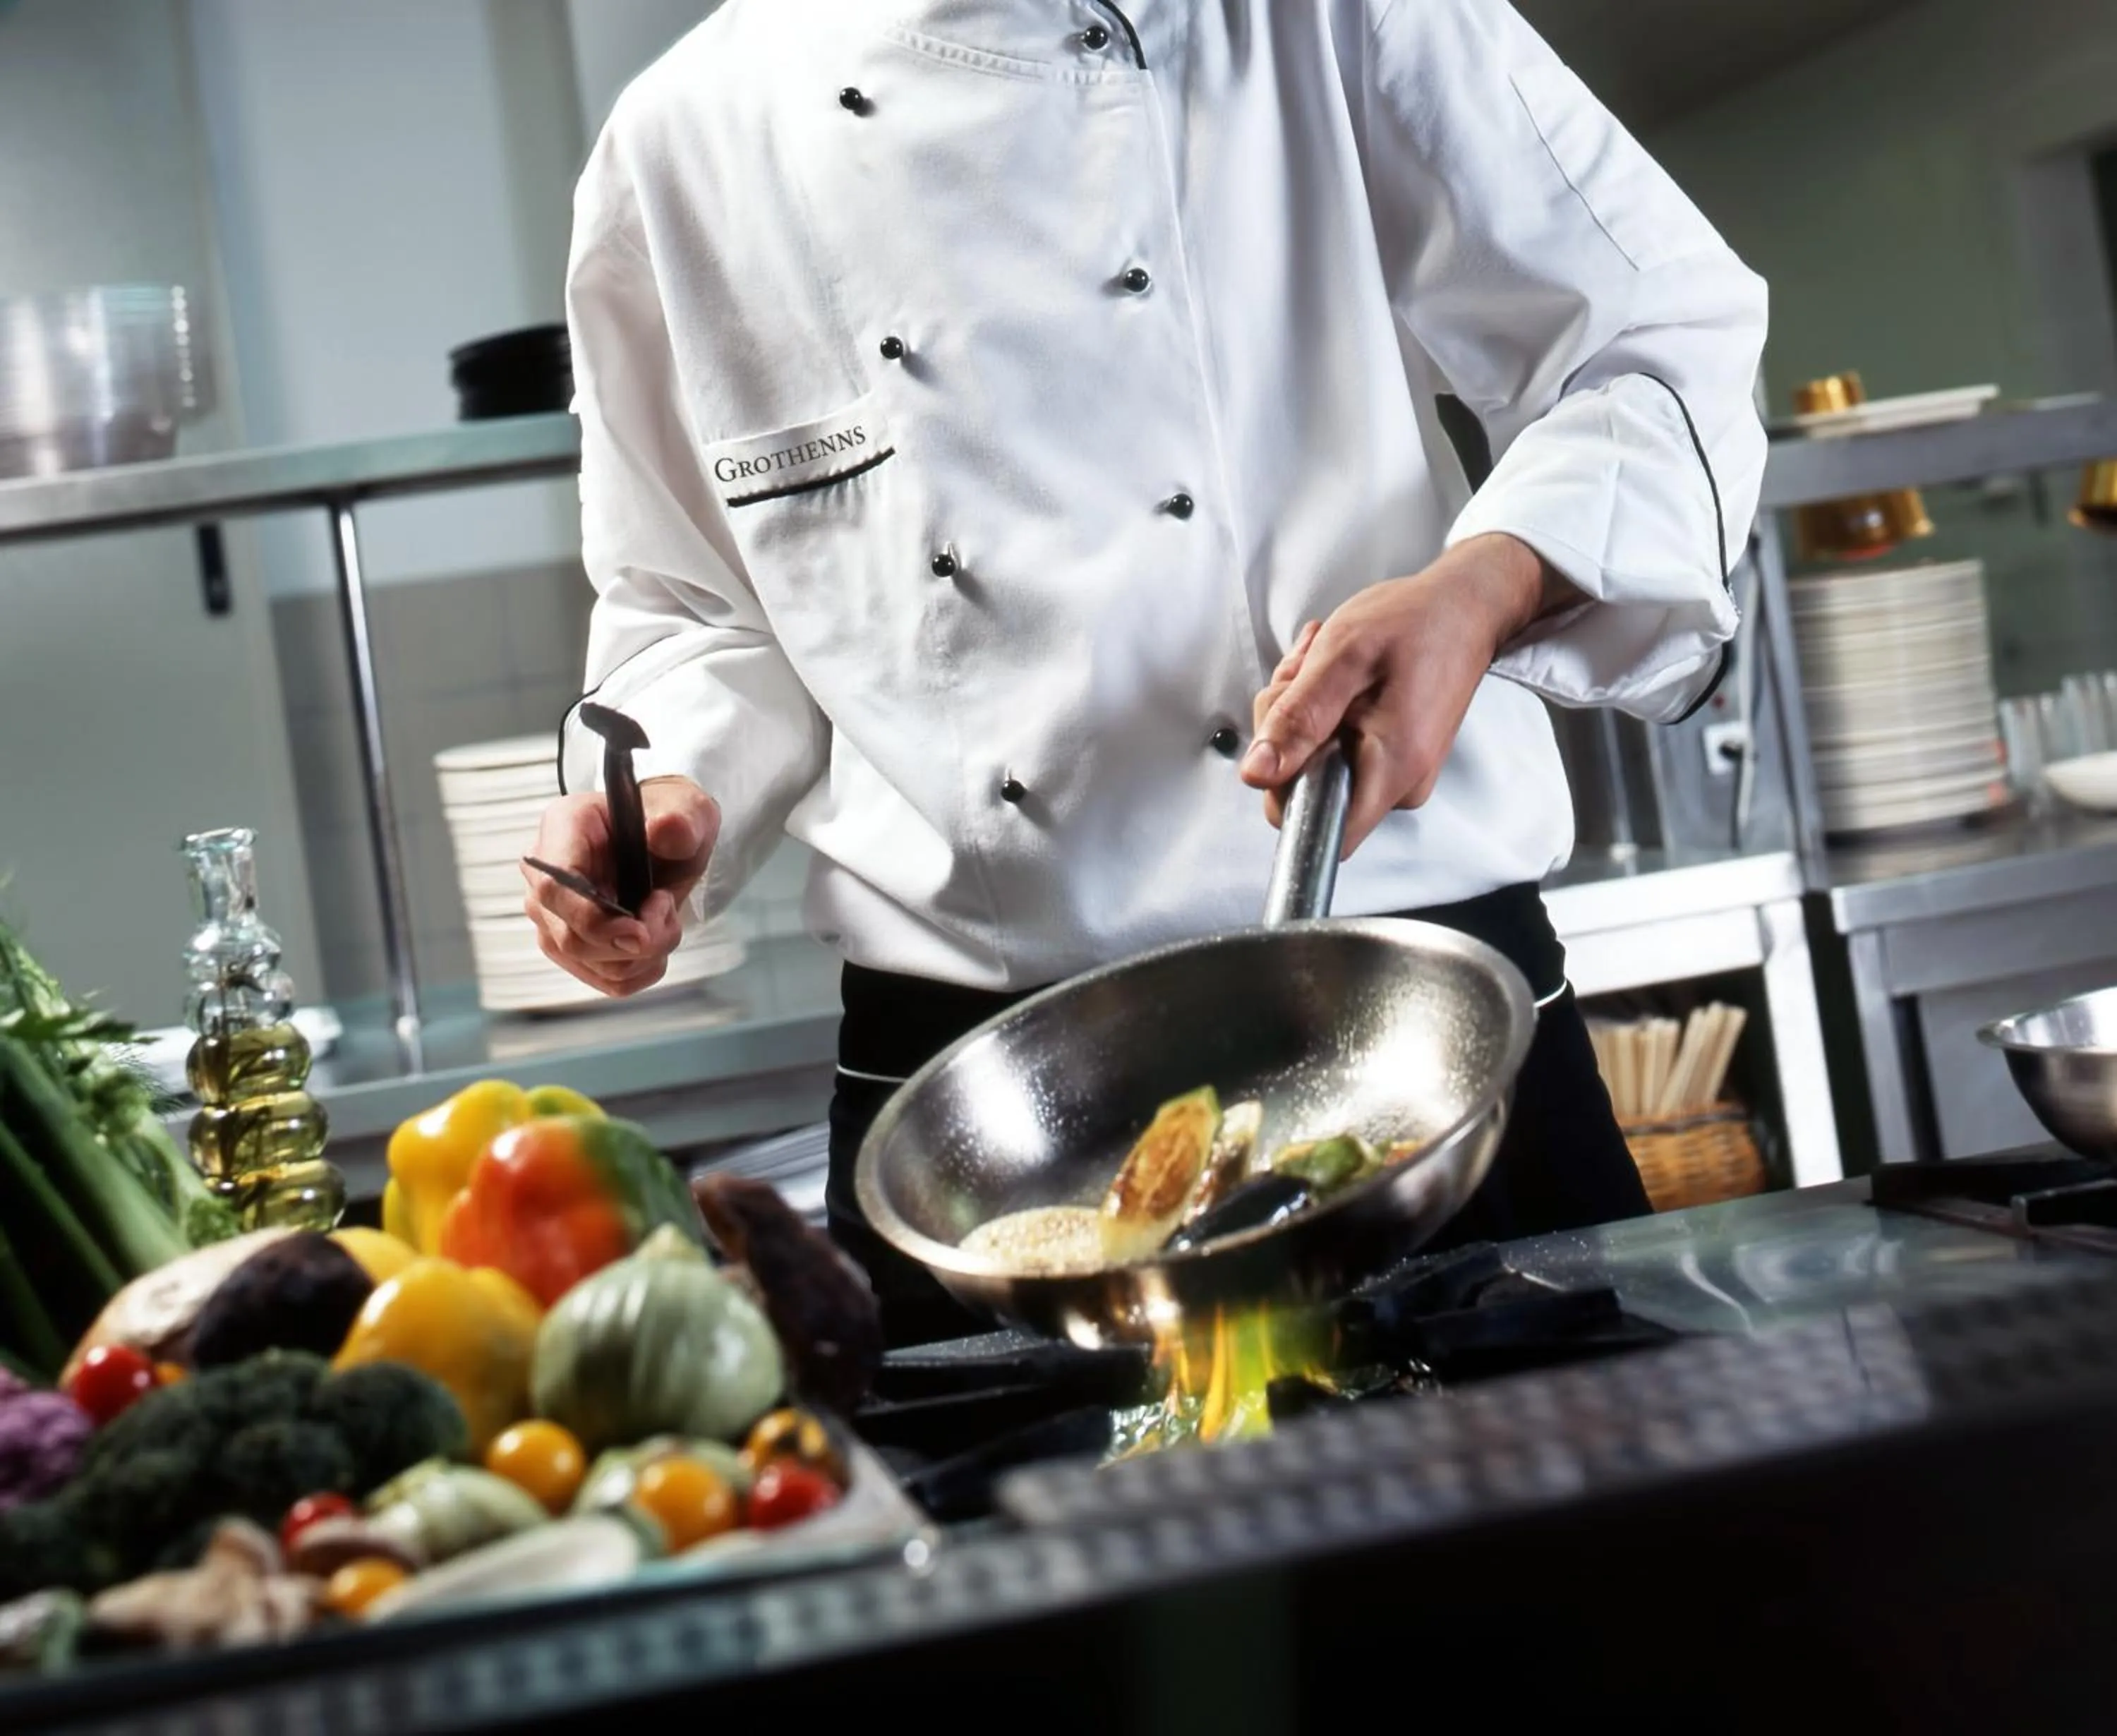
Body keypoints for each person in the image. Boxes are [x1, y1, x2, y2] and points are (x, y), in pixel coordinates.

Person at [526, 0, 1768, 1342]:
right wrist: (668, 785)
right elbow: (692, 604)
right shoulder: (690, 134)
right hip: (976, 1101)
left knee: (1576, 1535)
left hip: (1400, 1004)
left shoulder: (1315, 22)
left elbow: (1655, 345)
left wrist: (1484, 586)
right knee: (1024, 1555)